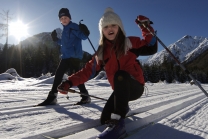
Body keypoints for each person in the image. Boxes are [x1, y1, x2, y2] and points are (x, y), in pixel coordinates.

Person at [57, 7, 157, 139]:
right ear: (102, 31)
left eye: (113, 25)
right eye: (106, 27)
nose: (110, 29)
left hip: (135, 86)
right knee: (104, 119)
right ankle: (122, 108)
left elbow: (151, 47)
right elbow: (87, 71)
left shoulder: (130, 43)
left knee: (120, 75)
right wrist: (69, 82)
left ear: (119, 27)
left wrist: (146, 27)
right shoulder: (102, 53)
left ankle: (118, 126)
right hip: (120, 91)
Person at [36, 8, 91, 106]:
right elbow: (64, 43)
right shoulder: (65, 29)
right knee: (58, 74)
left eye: (65, 17)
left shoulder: (74, 26)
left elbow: (83, 37)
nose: (64, 20)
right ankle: (52, 97)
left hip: (74, 57)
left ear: (69, 18)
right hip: (66, 56)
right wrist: (56, 39)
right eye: (61, 18)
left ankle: (85, 96)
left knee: (76, 77)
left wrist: (85, 31)